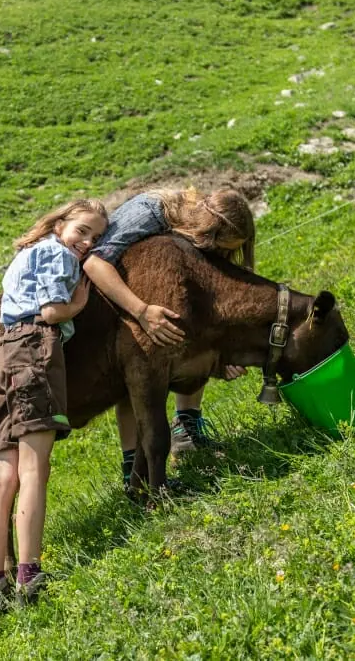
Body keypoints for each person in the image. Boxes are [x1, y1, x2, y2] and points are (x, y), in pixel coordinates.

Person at [0, 199, 108, 614]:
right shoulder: (56, 253)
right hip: (36, 349)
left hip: (6, 356)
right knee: (36, 469)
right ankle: (29, 574)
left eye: (96, 237)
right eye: (82, 231)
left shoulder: (27, 253)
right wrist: (79, 306)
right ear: (61, 224)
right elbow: (52, 312)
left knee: (5, 473)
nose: (88, 242)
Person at [82, 188, 256, 489]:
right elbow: (94, 263)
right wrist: (141, 311)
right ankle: (131, 468)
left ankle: (187, 427)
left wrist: (222, 356)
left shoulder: (198, 235)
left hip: (145, 295)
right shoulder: (150, 214)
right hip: (109, 299)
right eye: (221, 247)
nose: (222, 255)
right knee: (133, 381)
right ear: (206, 231)